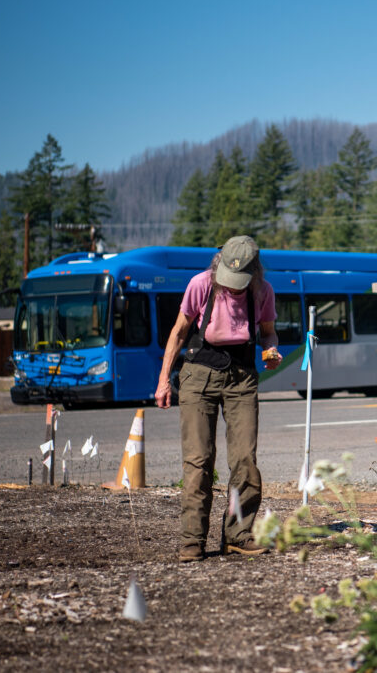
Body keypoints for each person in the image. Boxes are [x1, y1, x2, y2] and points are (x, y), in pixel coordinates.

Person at [155, 235, 282, 562]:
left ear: (255, 272)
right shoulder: (200, 284)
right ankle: (192, 540)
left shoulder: (263, 292)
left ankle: (238, 534)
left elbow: (268, 331)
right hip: (199, 375)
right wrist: (163, 381)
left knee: (244, 460)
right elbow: (178, 332)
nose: (234, 287)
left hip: (242, 376)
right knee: (199, 461)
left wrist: (271, 349)